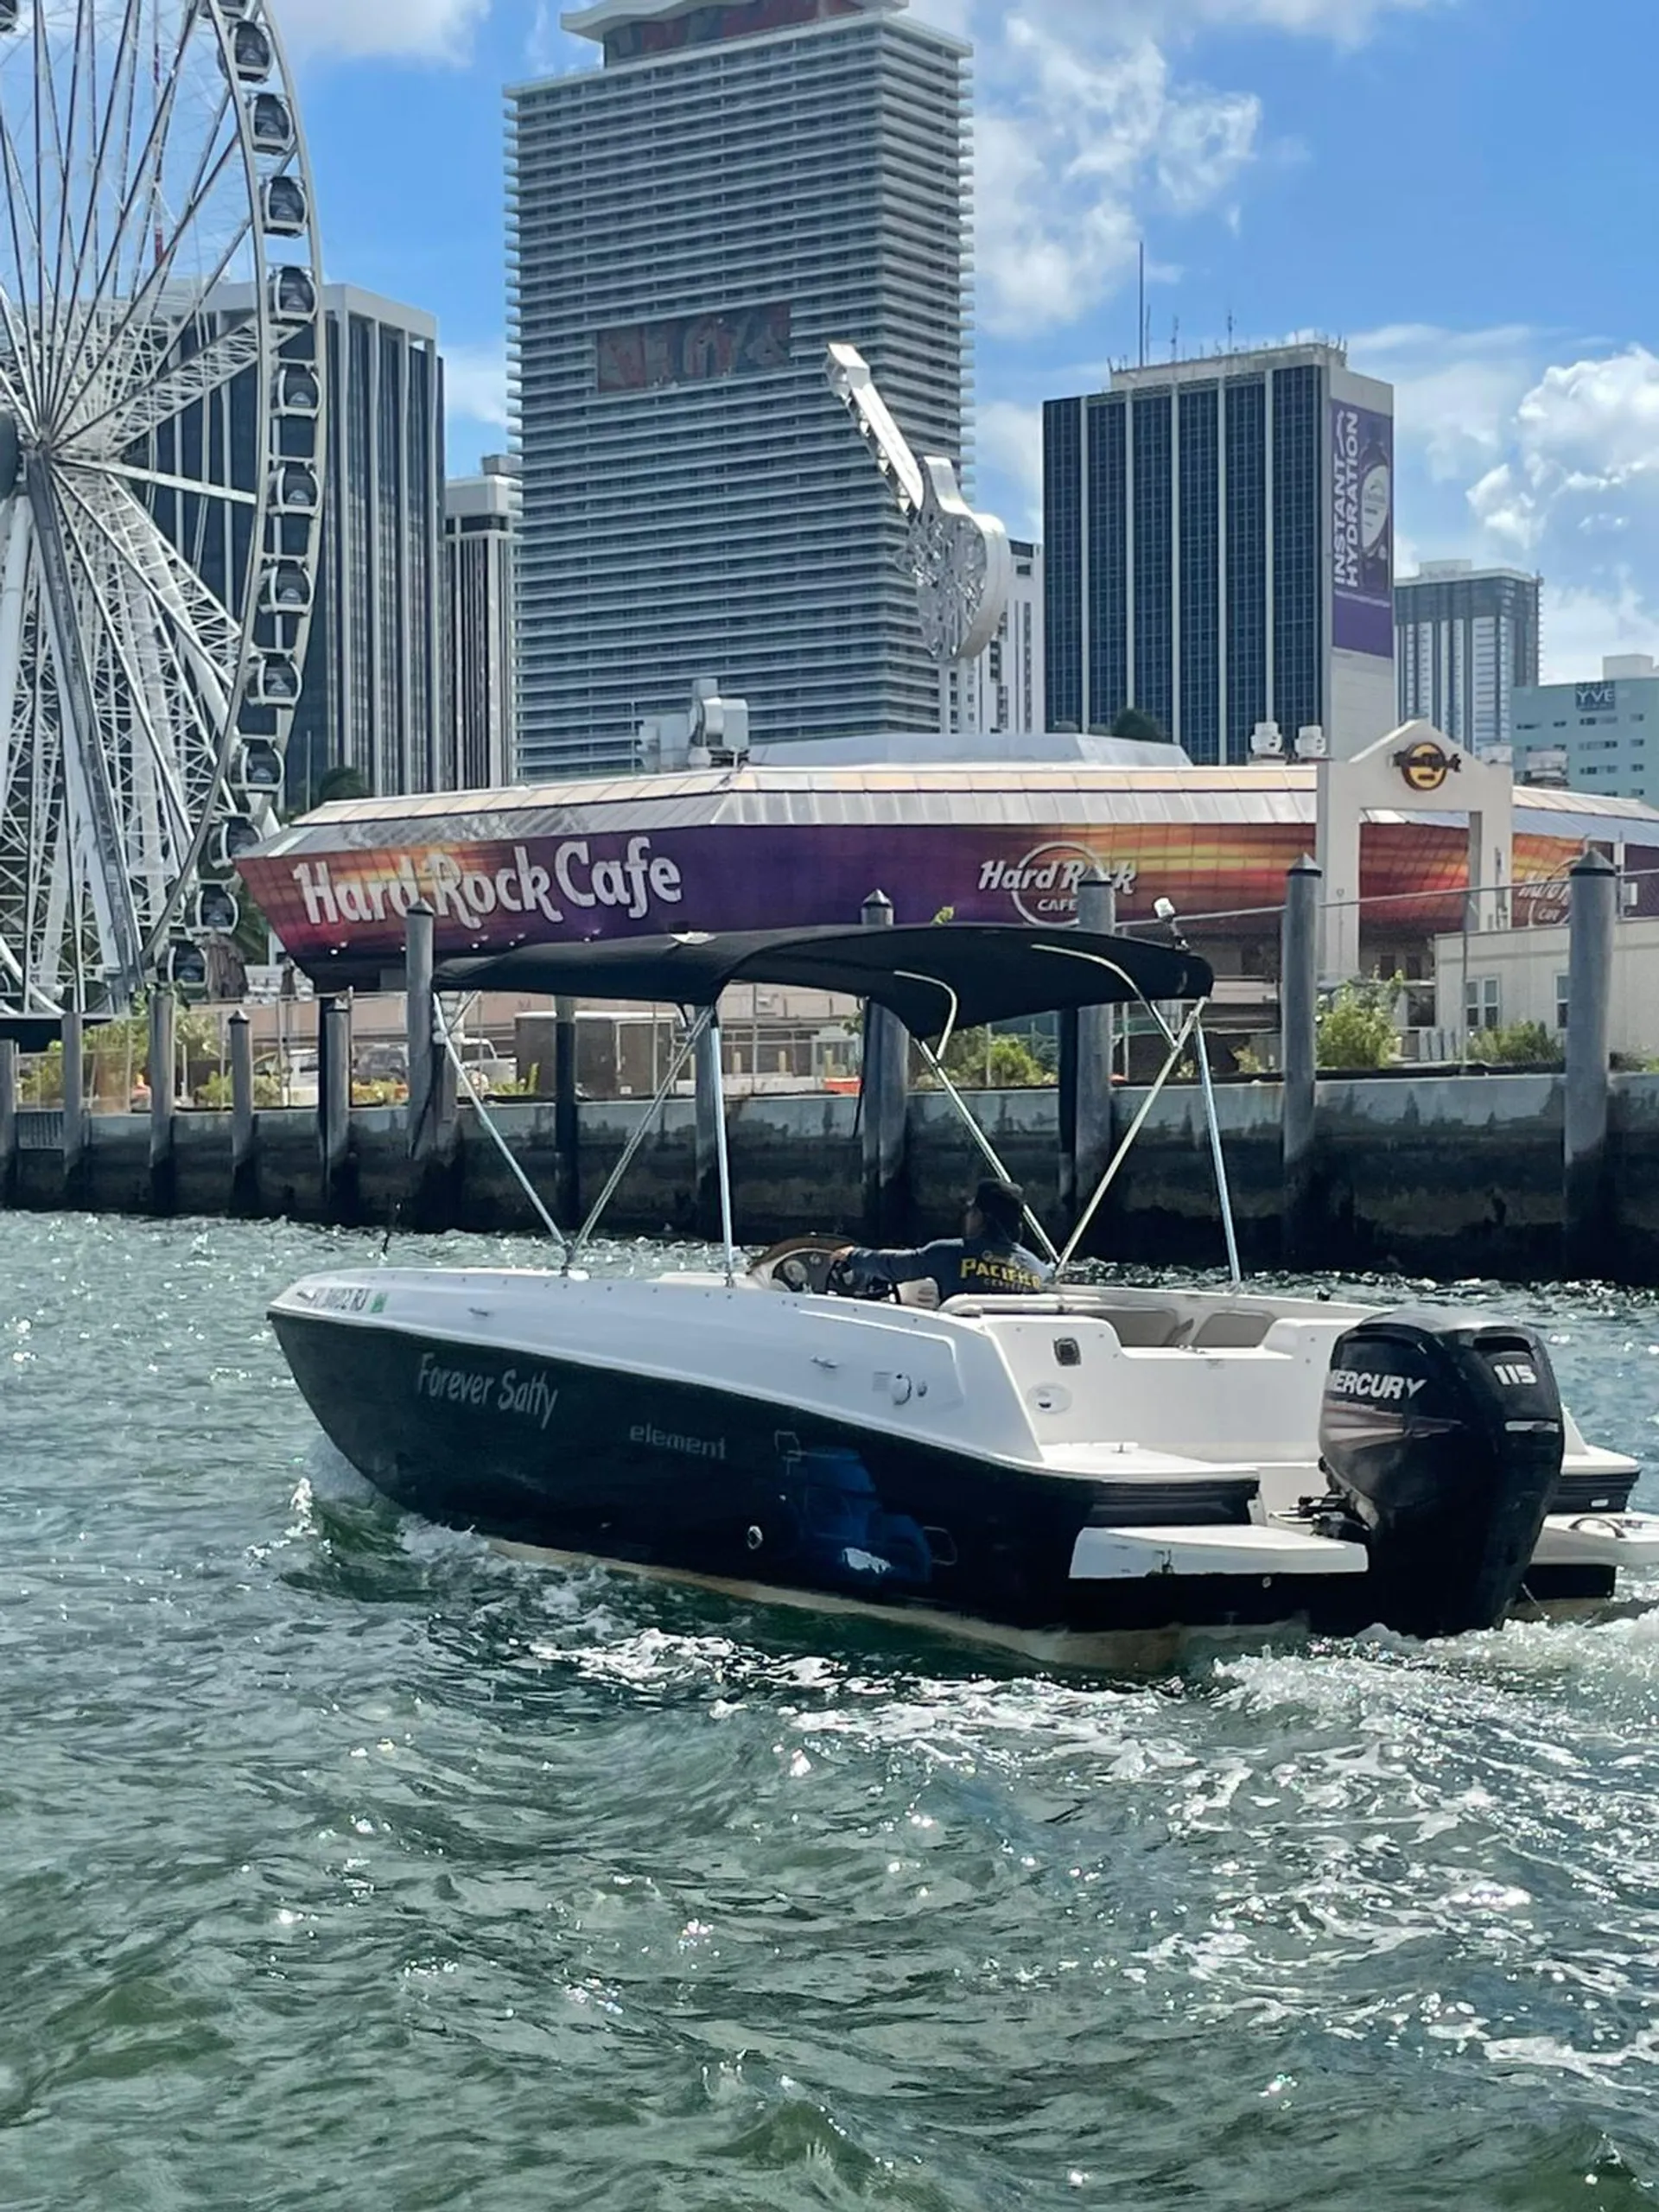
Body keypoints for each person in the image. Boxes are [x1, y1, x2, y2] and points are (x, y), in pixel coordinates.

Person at [830, 1179, 1049, 1306]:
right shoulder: (1039, 1270)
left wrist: (853, 1255)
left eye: (971, 1210)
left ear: (981, 1216)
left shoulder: (948, 1254)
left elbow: (896, 1266)